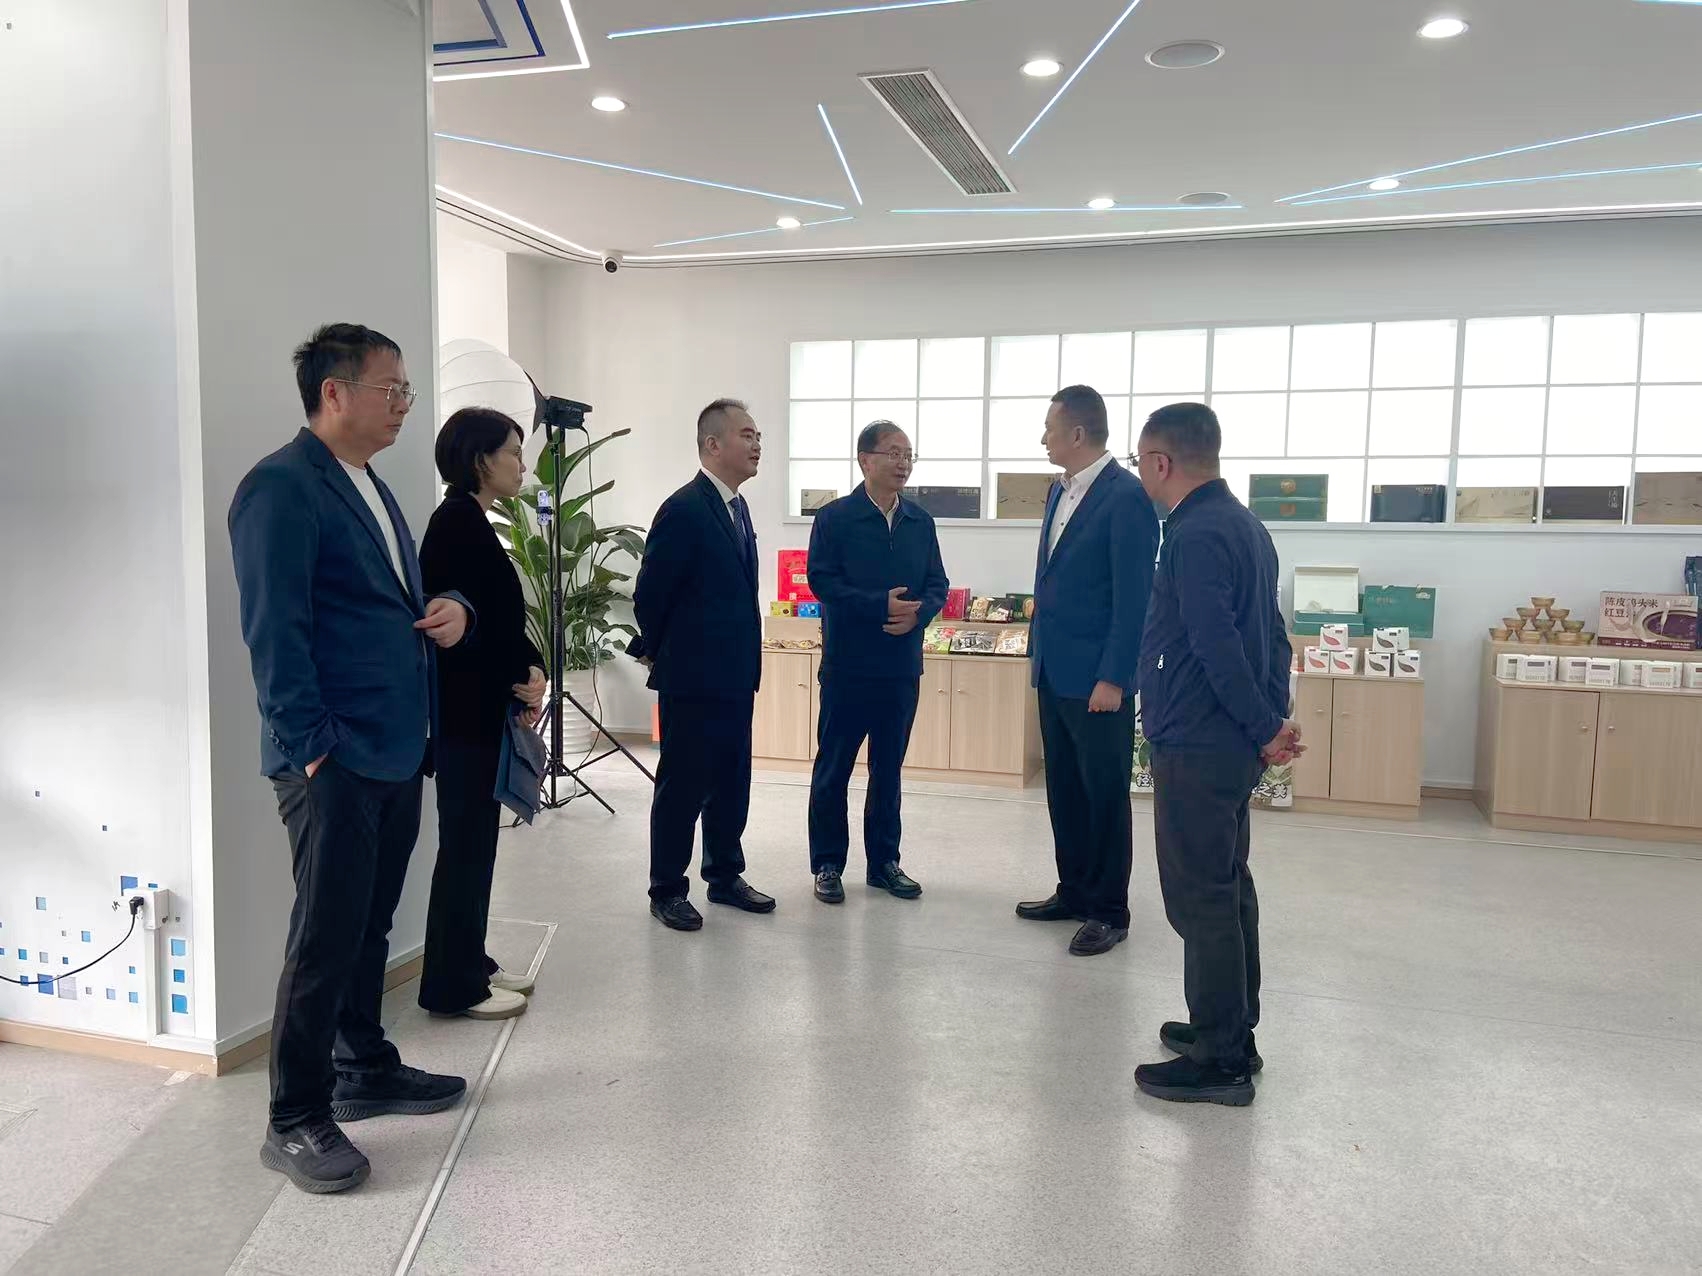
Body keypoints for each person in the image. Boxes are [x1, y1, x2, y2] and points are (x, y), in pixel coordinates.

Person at [229, 323, 474, 1194]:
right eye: (390, 388)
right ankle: (295, 1117)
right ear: (334, 393)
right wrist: (314, 753)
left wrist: (452, 607)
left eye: (406, 390)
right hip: (333, 758)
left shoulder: (367, 481)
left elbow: (387, 602)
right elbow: (276, 635)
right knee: (324, 936)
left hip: (394, 745)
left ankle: (362, 1065)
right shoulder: (280, 488)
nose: (404, 403)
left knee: (370, 924)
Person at [1130, 402, 1301, 1107]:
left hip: (1201, 740)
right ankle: (1229, 1027)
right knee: (1228, 886)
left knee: (1200, 896)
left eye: (1142, 463)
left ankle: (1221, 1058)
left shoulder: (1195, 533)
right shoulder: (1245, 525)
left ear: (1162, 462)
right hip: (1229, 740)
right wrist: (1271, 720)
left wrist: (1263, 725)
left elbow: (1215, 644)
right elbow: (1275, 637)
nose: (1142, 476)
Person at [1016, 385, 1161, 957]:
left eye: (1049, 428)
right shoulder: (1060, 490)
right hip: (1054, 669)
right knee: (1066, 789)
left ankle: (1109, 910)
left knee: (1103, 794)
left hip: (1099, 679)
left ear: (1077, 433)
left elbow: (1135, 597)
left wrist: (1116, 676)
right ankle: (1074, 890)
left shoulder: (1126, 497)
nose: (1043, 438)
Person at [416, 408, 549, 1022]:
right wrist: (519, 675)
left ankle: (472, 961)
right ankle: (452, 985)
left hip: (480, 713)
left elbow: (498, 621)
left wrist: (530, 670)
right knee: (464, 850)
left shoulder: (473, 521)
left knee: (476, 847)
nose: (522, 464)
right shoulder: (454, 525)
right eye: (513, 452)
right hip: (462, 718)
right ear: (480, 459)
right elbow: (461, 632)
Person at [631, 399, 775, 931]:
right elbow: (651, 595)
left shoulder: (738, 507)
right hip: (693, 678)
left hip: (735, 675)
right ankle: (667, 889)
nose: (757, 444)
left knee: (731, 781)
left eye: (758, 436)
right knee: (683, 785)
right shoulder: (684, 509)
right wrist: (664, 651)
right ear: (713, 444)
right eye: (746, 435)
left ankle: (724, 875)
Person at [804, 421, 949, 904]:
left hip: (901, 669)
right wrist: (877, 606)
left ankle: (885, 863)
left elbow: (937, 584)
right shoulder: (835, 519)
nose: (903, 462)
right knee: (834, 769)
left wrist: (919, 614)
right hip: (848, 667)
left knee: (888, 771)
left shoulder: (920, 521)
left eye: (908, 454)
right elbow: (822, 581)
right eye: (893, 453)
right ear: (865, 460)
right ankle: (828, 864)